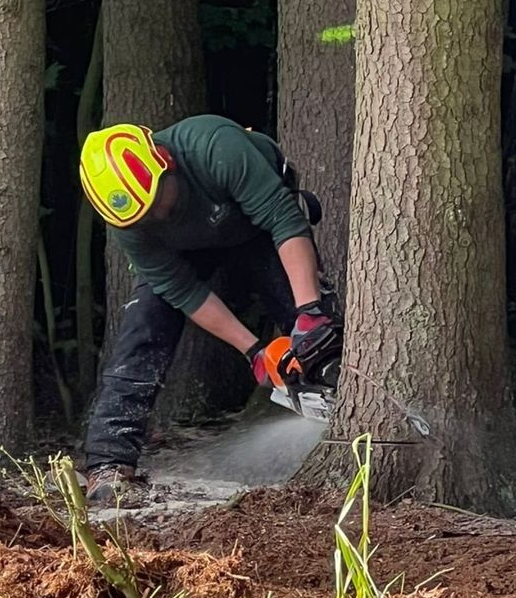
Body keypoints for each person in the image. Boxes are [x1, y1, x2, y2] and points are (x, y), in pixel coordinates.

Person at [78, 114, 334, 502]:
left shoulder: (214, 147)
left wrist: (309, 313)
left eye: (159, 200)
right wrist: (255, 352)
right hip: (185, 256)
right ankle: (109, 463)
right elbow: (182, 290)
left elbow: (285, 221)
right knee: (142, 331)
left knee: (316, 330)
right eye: (145, 215)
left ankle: (343, 403)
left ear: (166, 161)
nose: (158, 215)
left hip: (257, 227)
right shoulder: (129, 223)